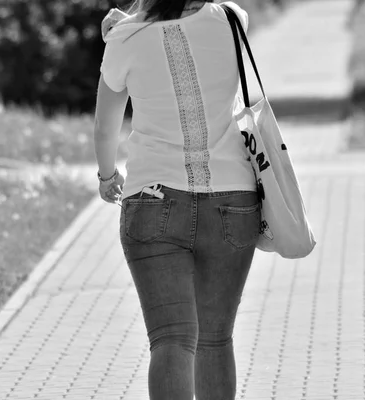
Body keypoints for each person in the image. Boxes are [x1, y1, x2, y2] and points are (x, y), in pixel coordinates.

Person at [93, 1, 260, 399]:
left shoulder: (125, 38)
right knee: (216, 339)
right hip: (233, 201)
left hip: (154, 202)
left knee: (171, 339)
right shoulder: (232, 20)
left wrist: (107, 176)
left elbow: (105, 127)